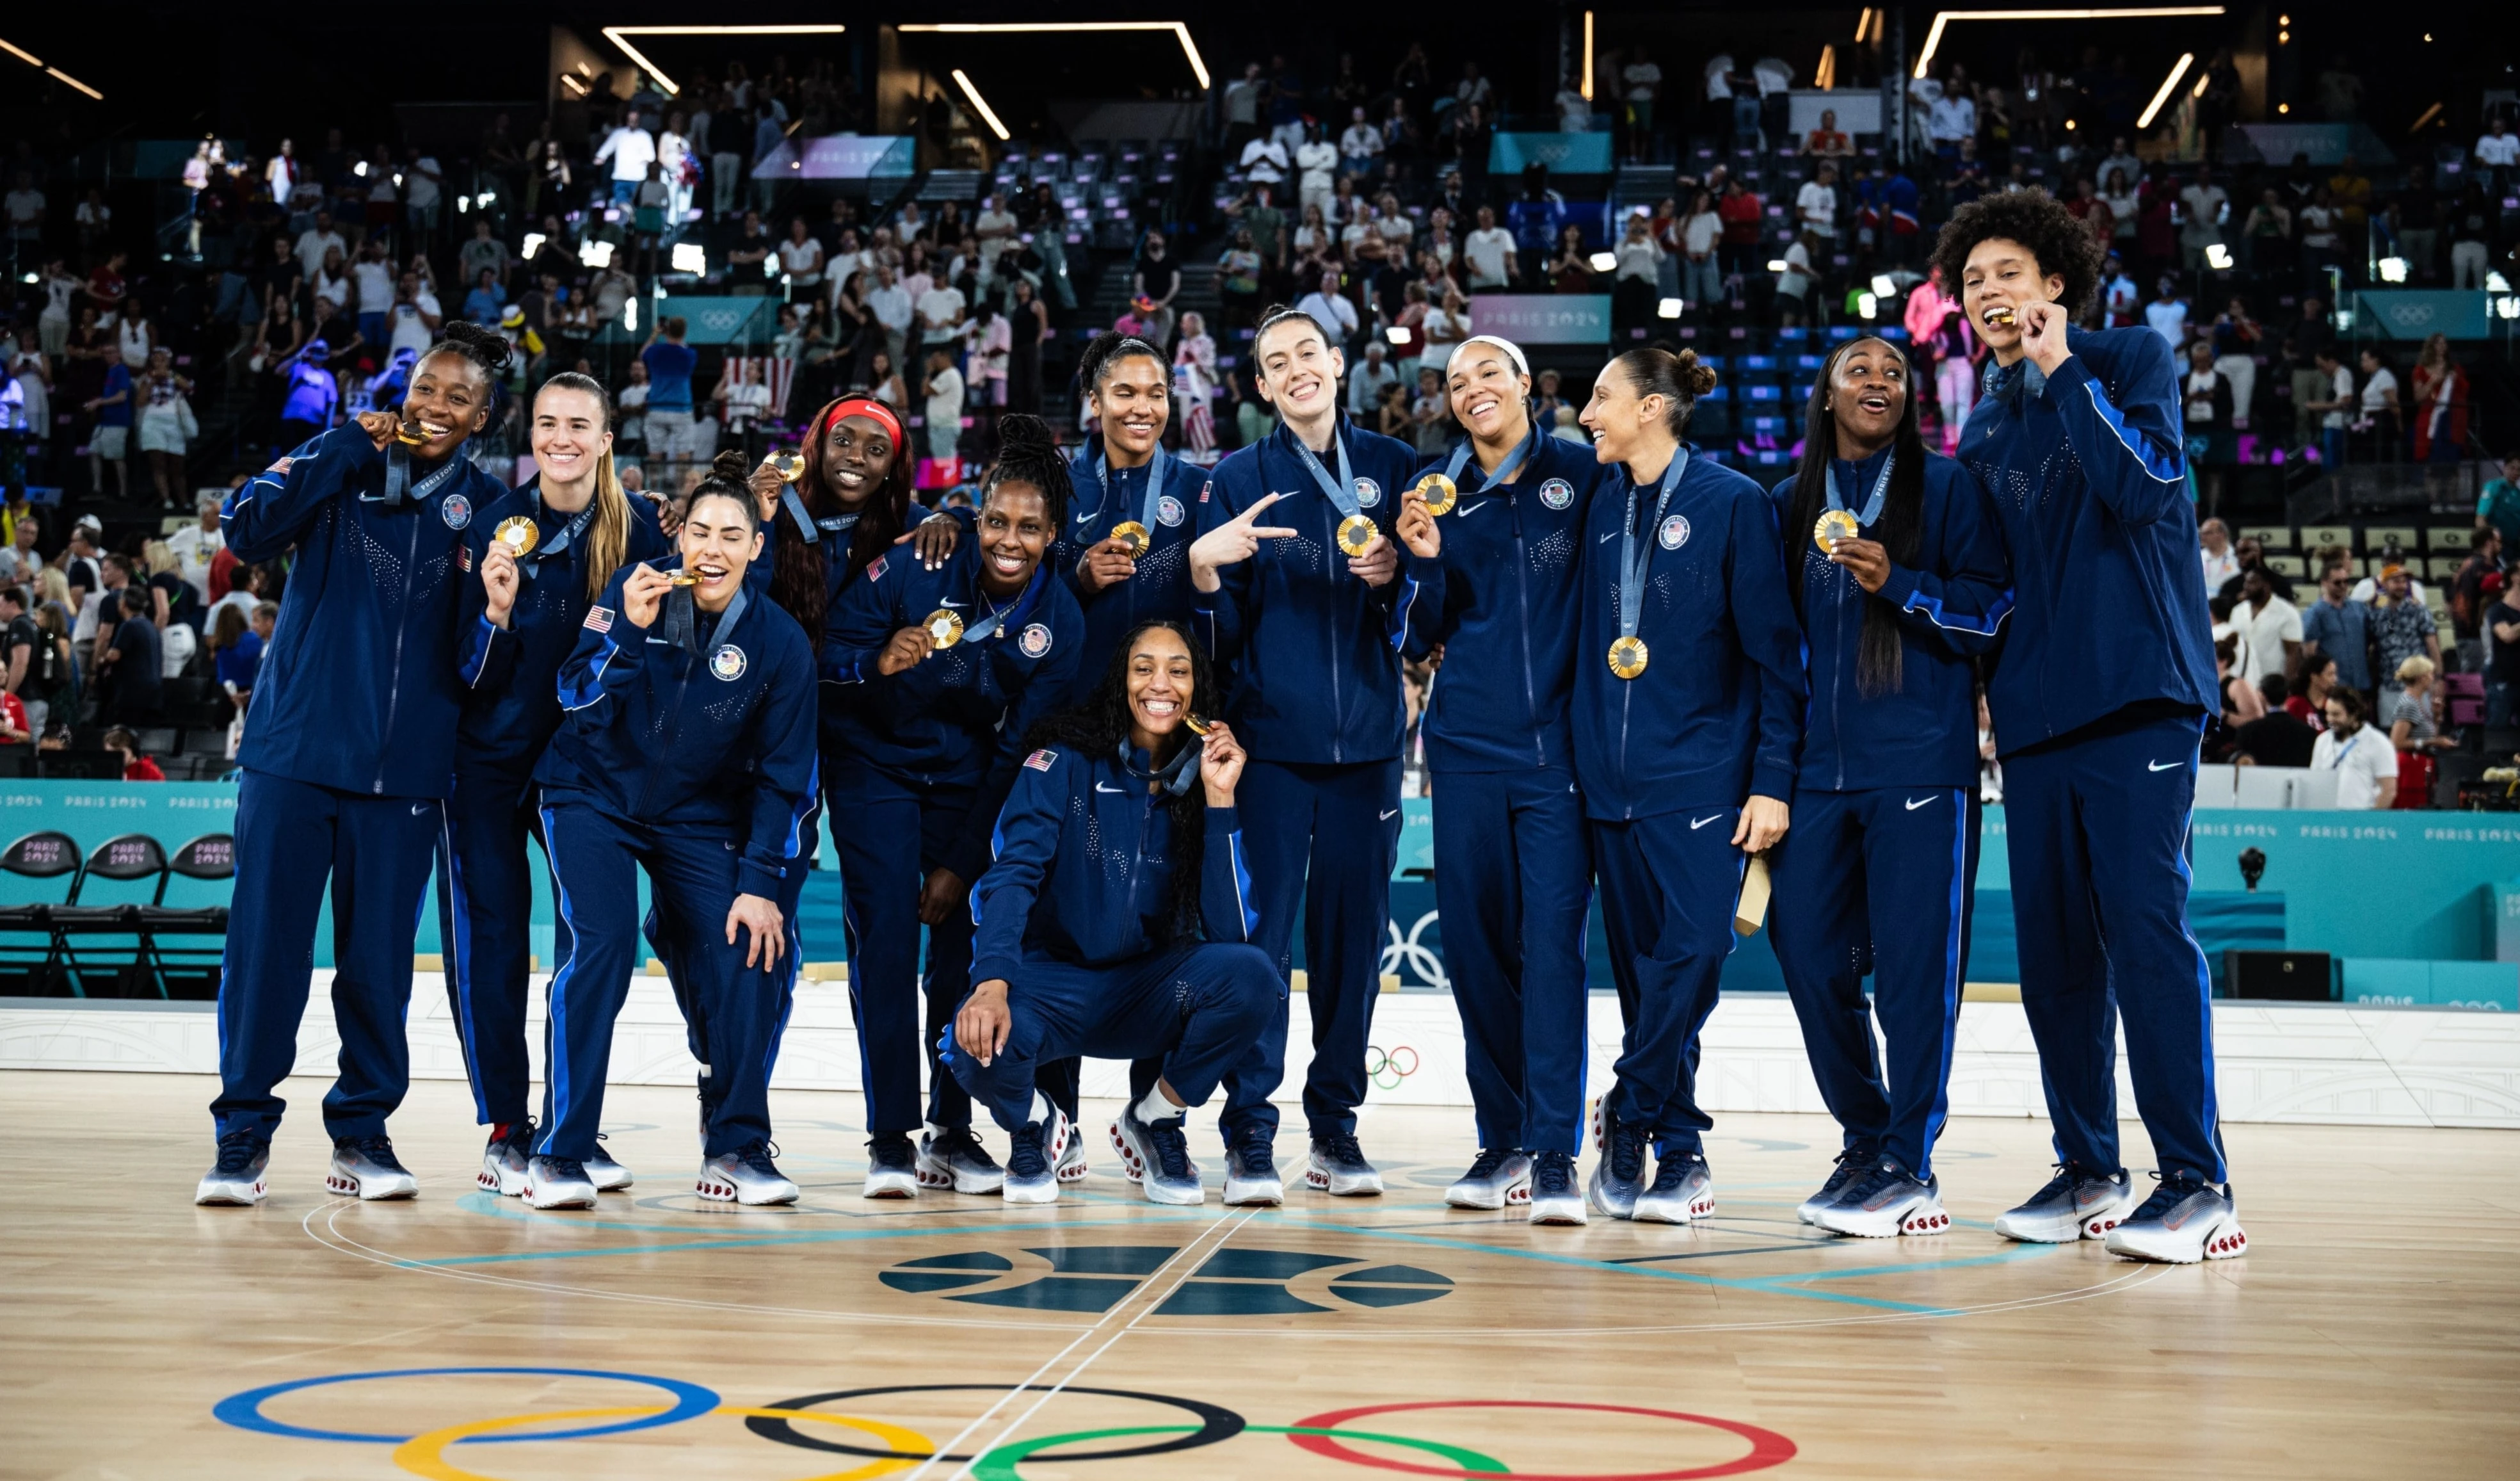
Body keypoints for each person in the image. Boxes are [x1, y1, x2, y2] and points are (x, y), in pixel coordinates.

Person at [1935, 189, 2238, 1263]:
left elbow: (2145, 489)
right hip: (2032, 718)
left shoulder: (2126, 359)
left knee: (2145, 934)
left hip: (2139, 696)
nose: (1988, 292)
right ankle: (2088, 1168)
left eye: (2007, 273)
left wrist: (2063, 367)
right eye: (1972, 281)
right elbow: (1990, 583)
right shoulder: (1981, 424)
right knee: (2056, 956)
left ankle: (2197, 1182)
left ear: (2054, 282)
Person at [196, 323, 514, 1208]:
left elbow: (477, 667)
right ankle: (241, 1136)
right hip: (293, 757)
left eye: (458, 397)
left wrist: (496, 618)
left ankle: (362, 1133)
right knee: (264, 955)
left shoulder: (490, 509)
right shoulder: (341, 465)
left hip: (405, 776)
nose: (436, 406)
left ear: (482, 416)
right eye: (425, 388)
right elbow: (246, 530)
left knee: (377, 968)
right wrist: (339, 443)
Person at [1186, 305, 1434, 1203]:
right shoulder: (1237, 477)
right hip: (1272, 753)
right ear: (1261, 386)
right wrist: (1206, 572)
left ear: (1335, 361)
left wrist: (1401, 578)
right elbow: (1219, 639)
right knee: (1259, 948)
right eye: (1275, 361)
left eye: (1307, 353)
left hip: (1367, 751)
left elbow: (1426, 620)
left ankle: (1334, 1130)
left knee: (1351, 947)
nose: (1296, 369)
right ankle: (1250, 1132)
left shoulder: (1396, 467)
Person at [1768, 336, 2011, 1239]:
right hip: (1813, 777)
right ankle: (1867, 1135)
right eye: (1858, 370)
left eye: (1894, 374)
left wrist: (1900, 584)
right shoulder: (1784, 503)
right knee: (1810, 962)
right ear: (1826, 395)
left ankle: (1909, 1165)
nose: (1878, 382)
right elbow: (1765, 646)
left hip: (1918, 768)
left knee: (1914, 976)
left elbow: (1992, 610)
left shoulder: (1947, 488)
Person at [528, 457, 815, 1208]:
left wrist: (759, 883)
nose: (712, 550)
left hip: (694, 816)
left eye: (731, 536)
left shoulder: (781, 643)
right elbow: (575, 699)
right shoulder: (635, 590)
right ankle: (558, 1151)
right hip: (589, 793)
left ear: (756, 547)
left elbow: (786, 775)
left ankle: (736, 1147)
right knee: (602, 945)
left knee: (755, 945)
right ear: (679, 537)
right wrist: (628, 631)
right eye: (700, 532)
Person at [823, 416, 1085, 1197]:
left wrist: (962, 863)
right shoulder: (920, 559)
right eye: (996, 521)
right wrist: (876, 661)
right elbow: (827, 651)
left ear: (1052, 535)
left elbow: (1017, 753)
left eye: (1029, 528)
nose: (1009, 540)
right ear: (976, 516)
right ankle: (889, 1140)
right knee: (884, 942)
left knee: (959, 954)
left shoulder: (1059, 620)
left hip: (966, 775)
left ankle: (950, 1129)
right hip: (872, 766)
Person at [1571, 346, 1803, 1226]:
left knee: (1697, 948)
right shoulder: (1599, 503)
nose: (1586, 413)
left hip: (1704, 777)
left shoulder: (1732, 501)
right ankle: (1678, 1150)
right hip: (1608, 786)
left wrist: (1771, 778)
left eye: (1601, 397)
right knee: (1645, 980)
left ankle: (1629, 1105)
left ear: (1652, 407)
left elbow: (1776, 655)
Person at [947, 622, 1278, 1204]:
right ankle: (1034, 1122)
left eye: (1178, 670)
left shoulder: (1203, 779)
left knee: (1254, 977)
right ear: (1119, 682)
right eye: (1143, 668)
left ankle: (1154, 1118)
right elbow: (1013, 874)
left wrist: (1220, 797)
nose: (1161, 684)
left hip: (1147, 991)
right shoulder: (1062, 761)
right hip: (1054, 985)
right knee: (969, 1040)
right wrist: (991, 981)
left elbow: (1231, 932)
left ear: (1197, 690)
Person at [439, 373, 670, 1197]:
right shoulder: (496, 528)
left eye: (578, 424)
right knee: (493, 942)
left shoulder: (645, 528)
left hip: (588, 768)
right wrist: (496, 615)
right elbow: (465, 672)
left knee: (592, 944)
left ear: (607, 439)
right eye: (546, 423)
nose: (560, 438)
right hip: (488, 763)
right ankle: (508, 1126)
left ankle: (571, 1126)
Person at [1403, 336, 1607, 1225]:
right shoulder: (1438, 490)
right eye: (1457, 382)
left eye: (1488, 372)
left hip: (1559, 753)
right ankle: (1503, 1139)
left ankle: (1555, 1150)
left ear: (1527, 384)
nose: (1472, 388)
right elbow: (1417, 639)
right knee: (1478, 949)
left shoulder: (1585, 474)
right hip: (1465, 751)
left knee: (1552, 950)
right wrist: (1422, 560)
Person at [1063, 333, 1210, 697]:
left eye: (1156, 395)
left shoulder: (1200, 489)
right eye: (1126, 394)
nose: (1143, 409)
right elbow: (1019, 601)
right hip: (1077, 700)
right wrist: (1077, 584)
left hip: (1164, 702)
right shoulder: (1057, 489)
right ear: (1095, 402)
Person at [2311, 688, 2395, 809]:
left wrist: (2372, 818)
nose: (2330, 719)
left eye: (2336, 714)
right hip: (2327, 817)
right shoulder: (2322, 741)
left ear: (2354, 714)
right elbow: (2314, 782)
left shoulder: (2379, 743)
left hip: (2362, 818)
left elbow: (2388, 790)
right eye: (2328, 713)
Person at [2300, 564, 2375, 699]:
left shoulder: (2360, 608)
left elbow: (2370, 640)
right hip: (2333, 688)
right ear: (2324, 583)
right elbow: (2310, 654)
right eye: (2337, 582)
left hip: (2362, 685)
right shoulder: (2315, 613)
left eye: (2346, 581)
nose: (2343, 586)